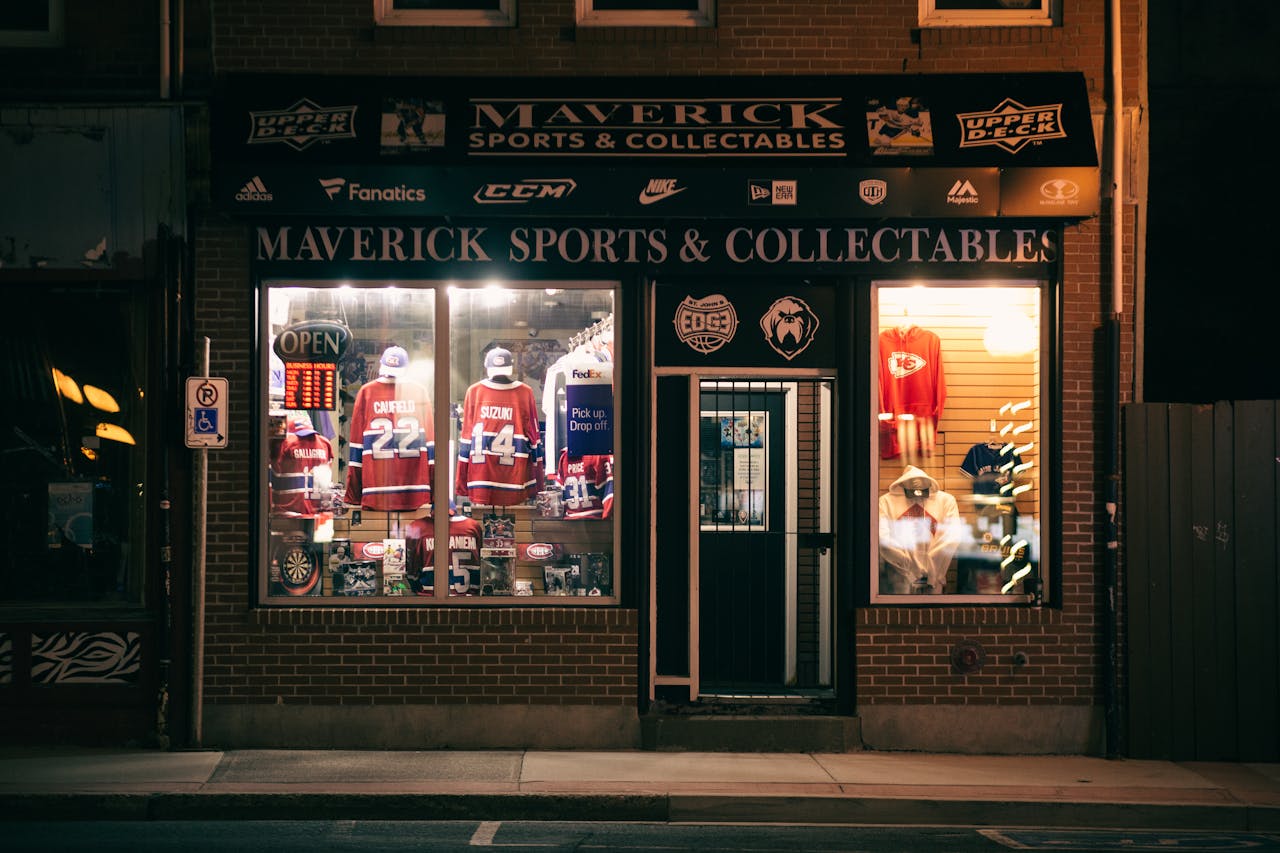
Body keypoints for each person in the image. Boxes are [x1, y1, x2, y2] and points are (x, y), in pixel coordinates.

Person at [455, 347, 544, 506]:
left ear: (487, 367)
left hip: (480, 479)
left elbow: (466, 440)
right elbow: (534, 441)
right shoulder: (525, 392)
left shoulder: (474, 391)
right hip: (513, 480)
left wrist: (461, 484)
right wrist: (536, 485)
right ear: (511, 367)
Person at [878, 465, 961, 594]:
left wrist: (933, 572)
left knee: (932, 613)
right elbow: (883, 539)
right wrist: (907, 570)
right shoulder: (886, 502)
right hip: (900, 581)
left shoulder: (946, 501)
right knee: (899, 614)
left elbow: (951, 537)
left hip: (933, 581)